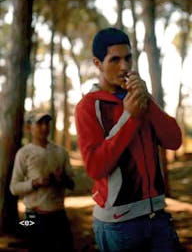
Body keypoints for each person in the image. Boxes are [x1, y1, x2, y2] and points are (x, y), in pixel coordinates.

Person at [74, 27, 182, 252]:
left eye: (128, 58)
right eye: (114, 60)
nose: (124, 67)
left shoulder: (141, 98)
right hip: (119, 225)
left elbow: (174, 141)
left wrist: (147, 102)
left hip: (158, 218)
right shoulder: (88, 107)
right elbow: (95, 167)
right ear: (97, 63)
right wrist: (131, 117)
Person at [10, 111, 75, 252]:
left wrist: (61, 179)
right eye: (39, 123)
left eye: (47, 123)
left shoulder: (60, 152)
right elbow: (14, 188)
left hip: (58, 215)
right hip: (33, 215)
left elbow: (72, 184)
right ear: (29, 127)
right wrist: (35, 183)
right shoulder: (24, 153)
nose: (44, 127)